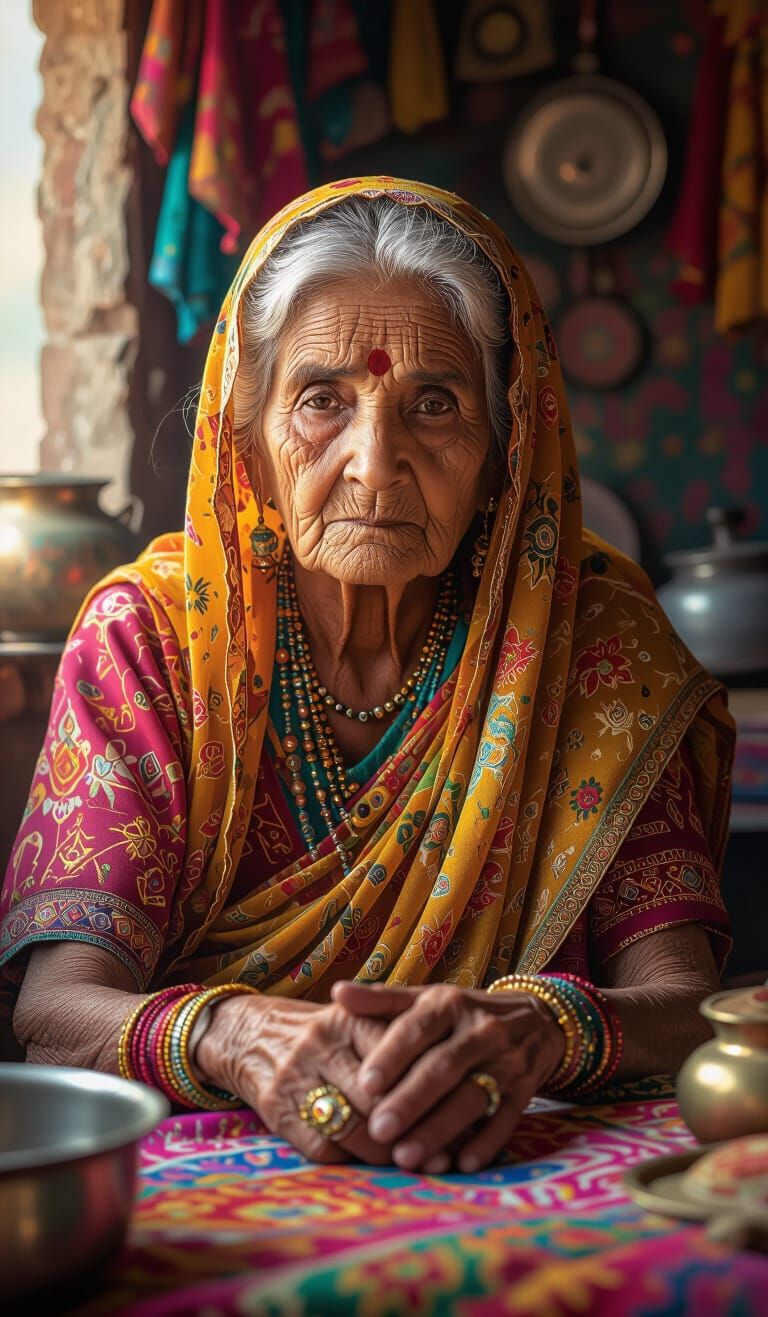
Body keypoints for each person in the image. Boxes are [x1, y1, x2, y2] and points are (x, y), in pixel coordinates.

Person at [0, 178, 733, 1175]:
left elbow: (693, 1005)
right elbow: (54, 1011)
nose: (375, 461)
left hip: (520, 1161)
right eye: (321, 401)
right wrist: (237, 1037)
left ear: (504, 447)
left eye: (435, 404)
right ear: (247, 440)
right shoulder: (156, 641)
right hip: (212, 1182)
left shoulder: (590, 640)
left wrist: (540, 1028)